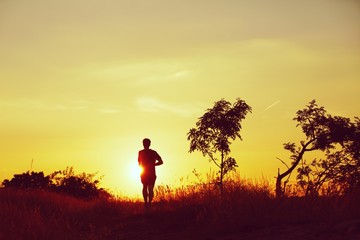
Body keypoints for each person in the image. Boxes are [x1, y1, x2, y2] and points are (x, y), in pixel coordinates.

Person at [138, 138, 163, 207]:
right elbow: (161, 162)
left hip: (145, 172)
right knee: (149, 188)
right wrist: (153, 164)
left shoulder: (141, 152)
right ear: (149, 144)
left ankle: (146, 203)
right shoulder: (153, 152)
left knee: (146, 187)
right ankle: (148, 203)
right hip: (150, 173)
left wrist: (147, 165)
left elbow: (139, 163)